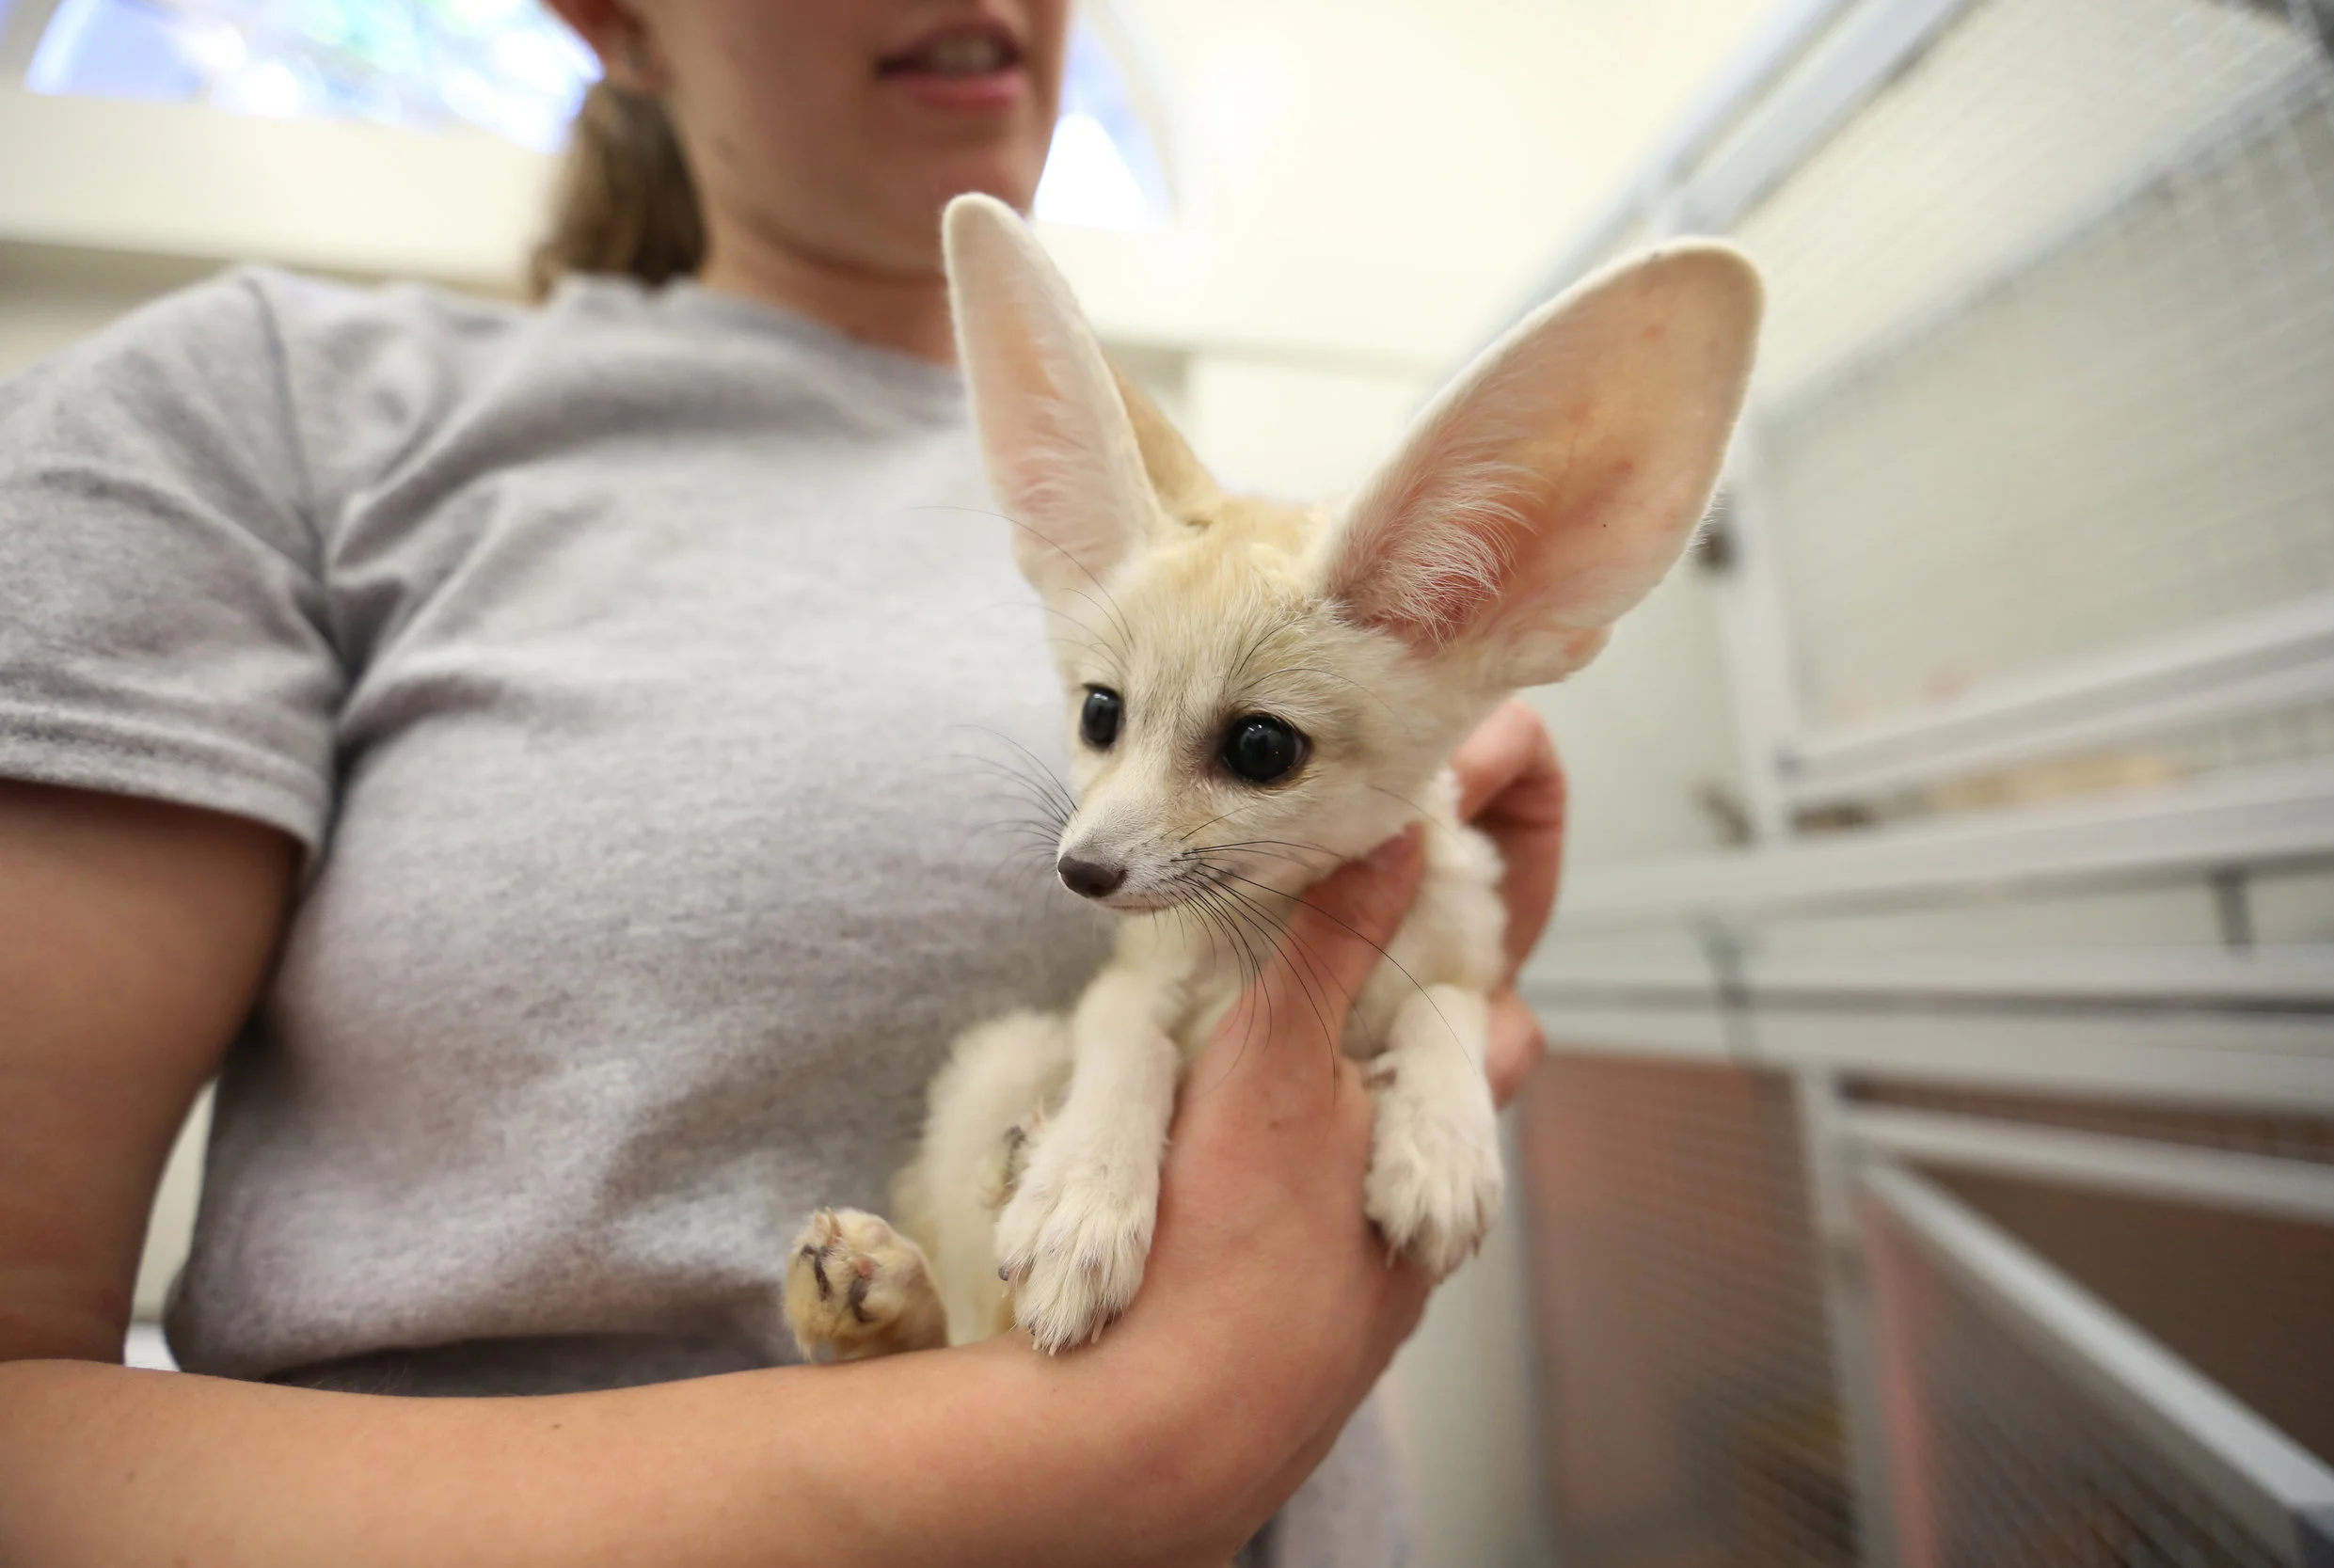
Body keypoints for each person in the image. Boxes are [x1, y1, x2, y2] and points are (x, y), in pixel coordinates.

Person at [0, 0, 1565, 1560]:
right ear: (609, 20)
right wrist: (1128, 1448)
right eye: (1099, 722)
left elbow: (1323, 1180)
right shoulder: (266, 407)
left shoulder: (1230, 544)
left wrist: (1414, 1006)